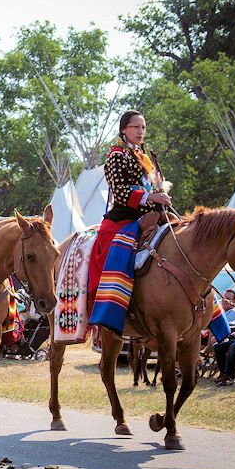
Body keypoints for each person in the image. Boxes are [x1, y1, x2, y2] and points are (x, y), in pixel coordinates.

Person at [87, 111, 172, 334]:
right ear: (124, 129)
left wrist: (160, 195)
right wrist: (151, 197)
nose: (140, 132)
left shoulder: (144, 156)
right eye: (135, 127)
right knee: (113, 246)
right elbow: (120, 192)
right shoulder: (116, 155)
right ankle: (110, 306)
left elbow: (151, 186)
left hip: (151, 213)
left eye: (143, 128)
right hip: (124, 215)